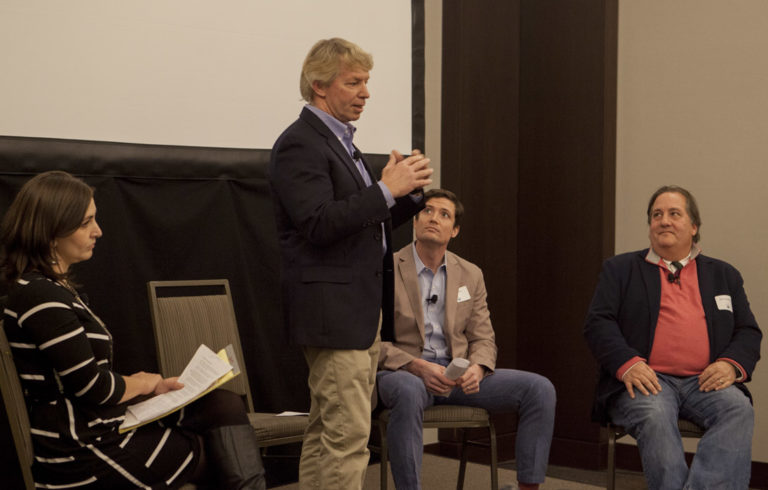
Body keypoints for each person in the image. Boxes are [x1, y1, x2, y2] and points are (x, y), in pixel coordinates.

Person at [0, 171, 266, 490]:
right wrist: (143, 382)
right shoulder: (39, 295)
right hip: (80, 450)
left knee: (220, 403)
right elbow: (91, 387)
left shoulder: (51, 290)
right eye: (86, 223)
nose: (97, 231)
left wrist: (152, 388)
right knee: (211, 453)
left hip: (102, 426)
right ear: (52, 230)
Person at [268, 37, 432, 489]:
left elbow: (362, 225)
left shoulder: (342, 144)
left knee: (329, 434)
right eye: (354, 82)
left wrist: (407, 193)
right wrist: (384, 190)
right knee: (348, 436)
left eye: (367, 82)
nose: (366, 92)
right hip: (332, 314)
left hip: (355, 314)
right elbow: (319, 224)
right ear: (320, 86)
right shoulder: (301, 144)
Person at [584, 185, 762, 490]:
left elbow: (747, 330)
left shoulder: (724, 275)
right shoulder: (620, 269)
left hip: (703, 381)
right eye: (657, 215)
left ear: (694, 226)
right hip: (647, 380)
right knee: (654, 413)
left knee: (737, 409)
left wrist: (730, 366)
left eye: (674, 213)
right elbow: (598, 323)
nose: (664, 220)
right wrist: (629, 364)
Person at [377, 189, 556, 490]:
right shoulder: (386, 268)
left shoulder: (470, 274)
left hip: (456, 376)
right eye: (427, 211)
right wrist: (416, 366)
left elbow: (483, 337)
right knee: (408, 390)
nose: (434, 218)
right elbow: (371, 341)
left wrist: (479, 368)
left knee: (539, 389)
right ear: (415, 222)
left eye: (444, 214)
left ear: (455, 230)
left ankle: (528, 488)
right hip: (404, 373)